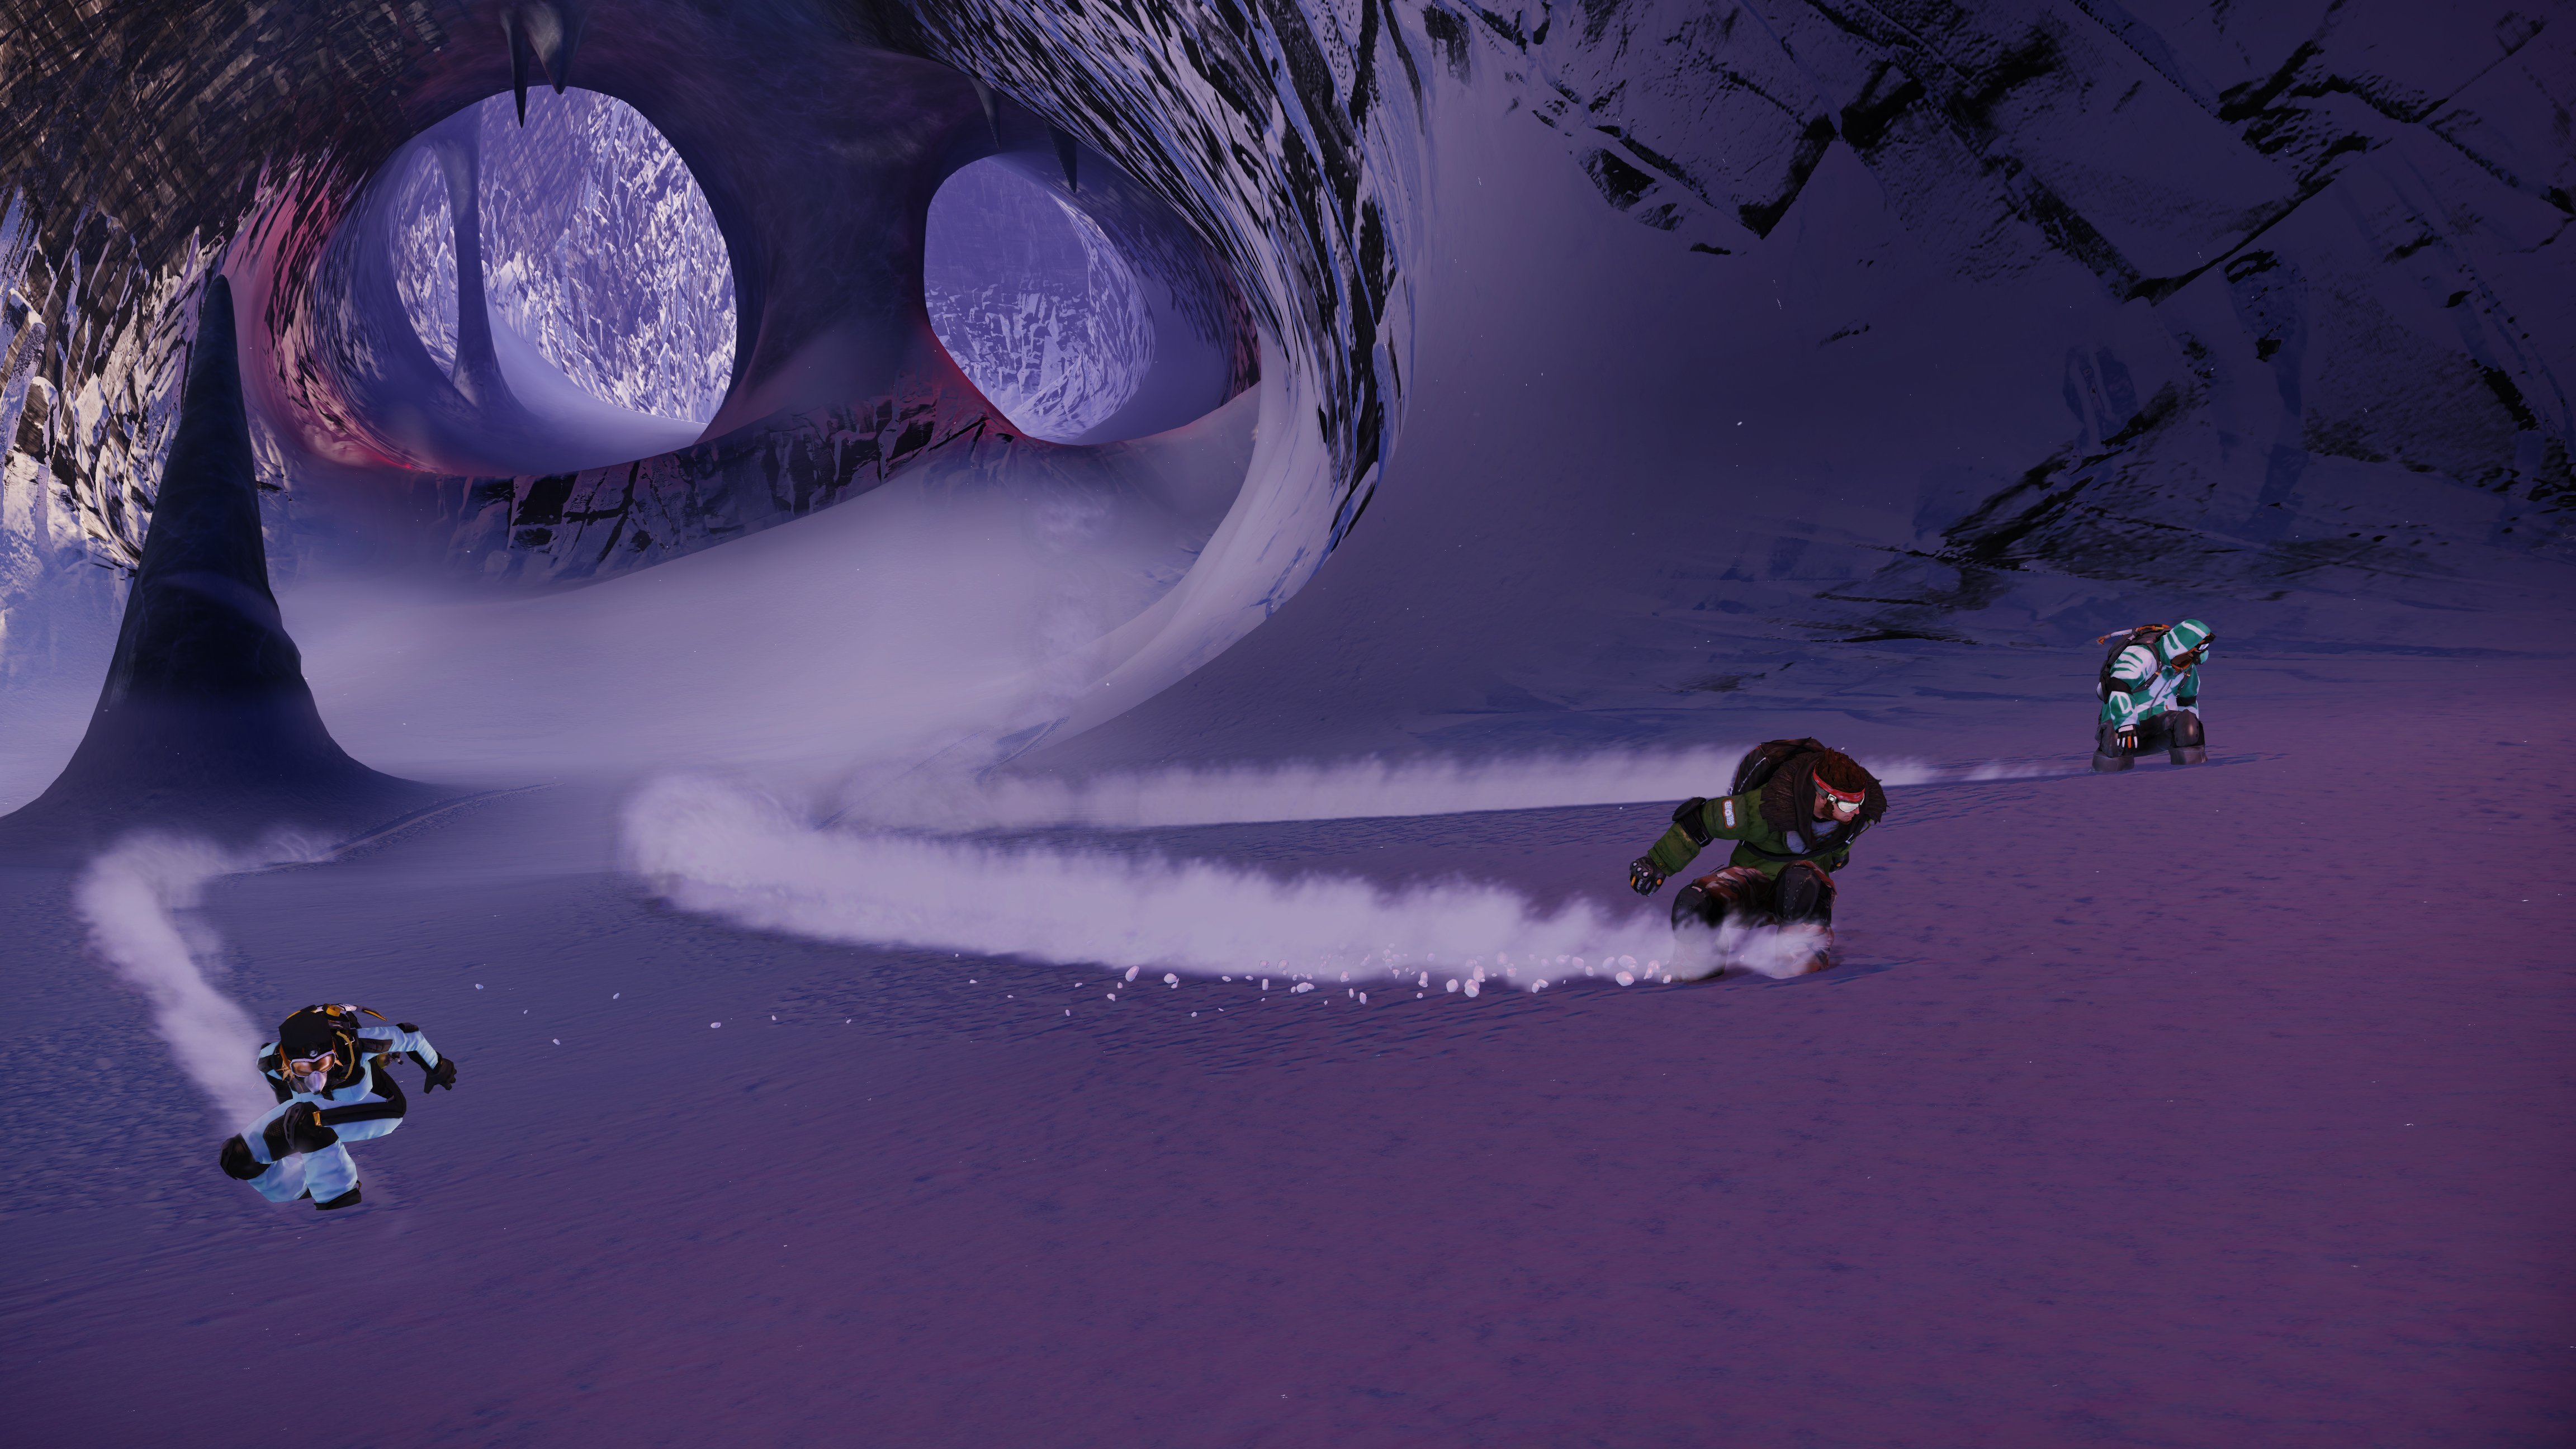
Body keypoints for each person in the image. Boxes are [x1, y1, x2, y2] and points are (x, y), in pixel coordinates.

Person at [1627, 739, 1887, 976]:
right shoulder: (1764, 808)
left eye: (1859, 803)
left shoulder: (1854, 819)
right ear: (1821, 796)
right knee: (1695, 902)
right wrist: (1657, 863)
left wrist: (1837, 860)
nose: (1855, 811)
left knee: (1802, 882)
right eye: (1847, 804)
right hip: (1752, 886)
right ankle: (1699, 966)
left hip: (1803, 892)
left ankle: (1801, 964)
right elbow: (1701, 822)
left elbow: (1841, 849)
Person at [216, 1003, 456, 1210]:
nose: (316, 1076)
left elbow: (411, 1035)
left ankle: (338, 1192)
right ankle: (299, 1185)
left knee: (304, 1121)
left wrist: (438, 1067)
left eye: (324, 1063)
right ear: (288, 1062)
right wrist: (286, 1121)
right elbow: (279, 1088)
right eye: (303, 1068)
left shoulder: (358, 1045)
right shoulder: (272, 1060)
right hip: (314, 1111)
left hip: (380, 1107)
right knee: (237, 1156)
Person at [2092, 618, 2212, 771]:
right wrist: (2125, 724)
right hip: (2124, 731)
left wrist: (2189, 735)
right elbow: (2119, 686)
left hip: (2160, 728)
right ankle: (2107, 777)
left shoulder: (2187, 670)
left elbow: (2187, 701)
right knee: (2113, 739)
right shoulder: (2142, 655)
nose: (2203, 652)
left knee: (2188, 722)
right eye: (2202, 646)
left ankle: (2192, 774)